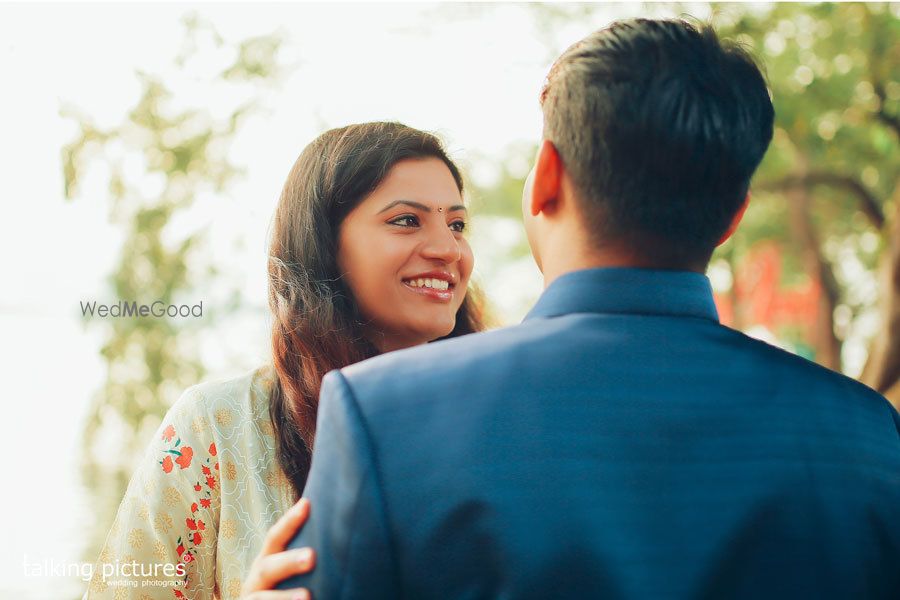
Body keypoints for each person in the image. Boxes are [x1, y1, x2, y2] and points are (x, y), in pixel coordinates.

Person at [282, 18, 900, 599]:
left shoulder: (385, 414)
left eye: (456, 221)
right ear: (733, 218)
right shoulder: (868, 434)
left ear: (548, 175)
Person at [84, 122, 486, 599]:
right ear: (323, 244)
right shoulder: (216, 428)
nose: (447, 249)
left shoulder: (494, 422)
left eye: (456, 224)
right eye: (406, 220)